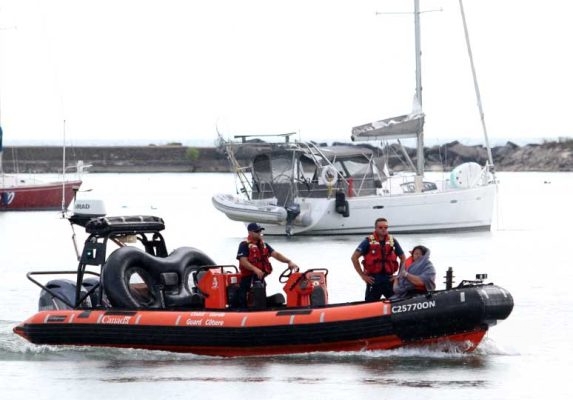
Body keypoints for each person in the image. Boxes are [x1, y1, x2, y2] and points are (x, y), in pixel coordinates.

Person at [234, 222, 298, 308]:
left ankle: (261, 310)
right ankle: (243, 311)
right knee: (243, 298)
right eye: (257, 231)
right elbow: (243, 261)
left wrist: (289, 261)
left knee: (261, 295)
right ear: (250, 233)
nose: (259, 233)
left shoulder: (264, 245)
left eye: (260, 231)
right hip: (247, 279)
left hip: (260, 279)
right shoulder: (244, 245)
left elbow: (276, 254)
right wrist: (255, 269)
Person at [351, 217, 406, 301]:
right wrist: (363, 275)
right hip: (374, 280)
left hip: (389, 279)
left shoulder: (392, 241)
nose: (383, 230)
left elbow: (403, 257)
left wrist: (399, 275)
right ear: (376, 228)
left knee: (397, 302)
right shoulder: (367, 241)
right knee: (369, 305)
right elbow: (354, 257)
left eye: (386, 227)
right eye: (380, 227)